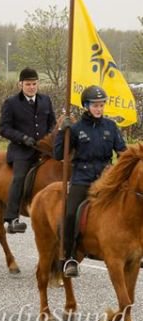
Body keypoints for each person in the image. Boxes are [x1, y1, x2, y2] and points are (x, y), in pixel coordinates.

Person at [54, 85, 126, 277]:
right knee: (70, 214)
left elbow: (122, 152)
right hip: (82, 178)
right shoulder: (76, 128)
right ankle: (69, 257)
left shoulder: (111, 127)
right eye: (95, 105)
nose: (99, 109)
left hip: (106, 179)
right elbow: (58, 154)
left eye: (101, 105)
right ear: (86, 105)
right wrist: (63, 131)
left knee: (133, 204)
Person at [0, 67, 56, 233]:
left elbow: (51, 123)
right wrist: (23, 138)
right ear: (20, 85)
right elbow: (4, 128)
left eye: (34, 84)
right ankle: (12, 219)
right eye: (28, 84)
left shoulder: (46, 100)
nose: (31, 87)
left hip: (44, 149)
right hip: (21, 150)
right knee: (19, 177)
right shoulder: (11, 103)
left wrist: (50, 138)